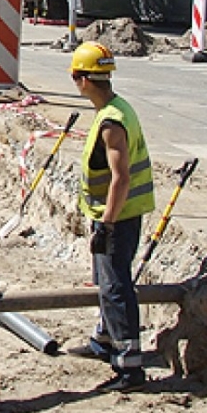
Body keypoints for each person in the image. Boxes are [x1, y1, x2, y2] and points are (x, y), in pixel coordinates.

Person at [70, 41, 155, 393]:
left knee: (116, 286)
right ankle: (105, 340)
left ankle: (129, 365)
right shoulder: (116, 109)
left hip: (118, 217)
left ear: (83, 79)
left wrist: (106, 223)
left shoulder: (111, 122)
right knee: (106, 282)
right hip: (115, 213)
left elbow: (121, 178)